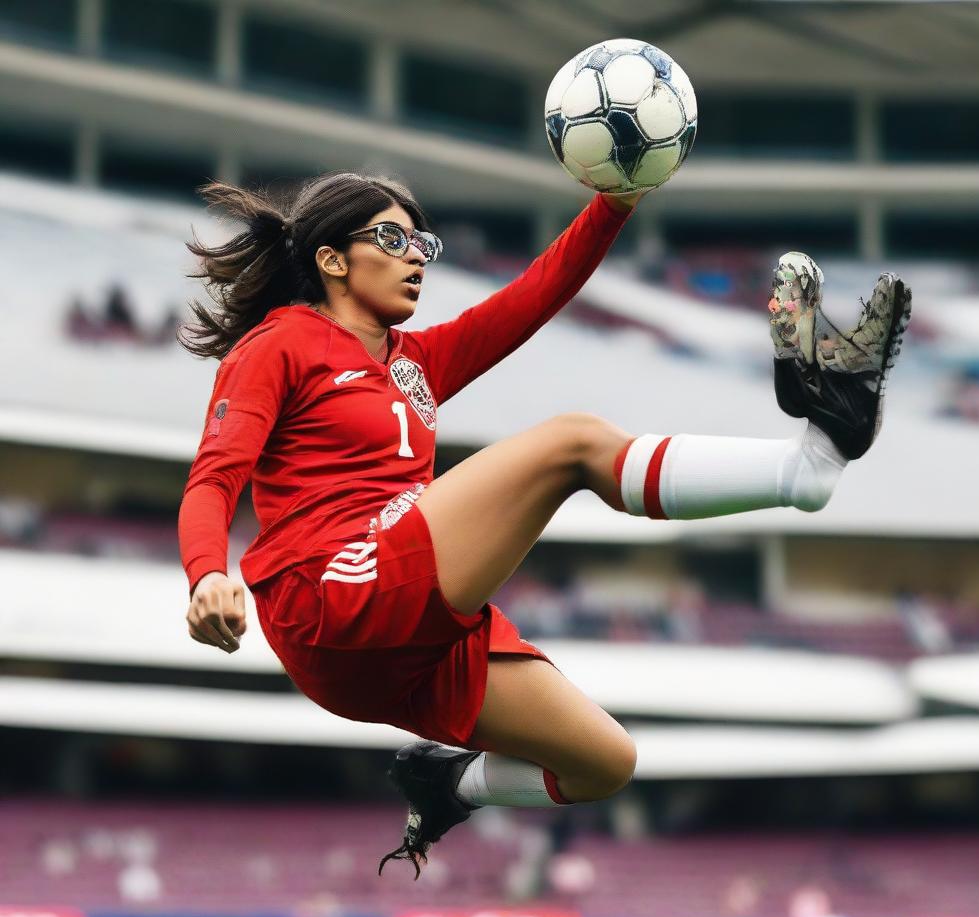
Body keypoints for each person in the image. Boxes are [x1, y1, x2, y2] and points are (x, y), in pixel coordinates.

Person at [177, 172, 911, 876]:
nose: (417, 261)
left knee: (602, 765)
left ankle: (446, 788)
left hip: (402, 644)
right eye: (394, 242)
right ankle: (799, 476)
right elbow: (214, 475)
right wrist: (208, 573)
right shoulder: (278, 342)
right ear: (332, 259)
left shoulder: (415, 362)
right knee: (572, 444)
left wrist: (614, 205)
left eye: (422, 246)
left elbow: (538, 293)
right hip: (333, 595)